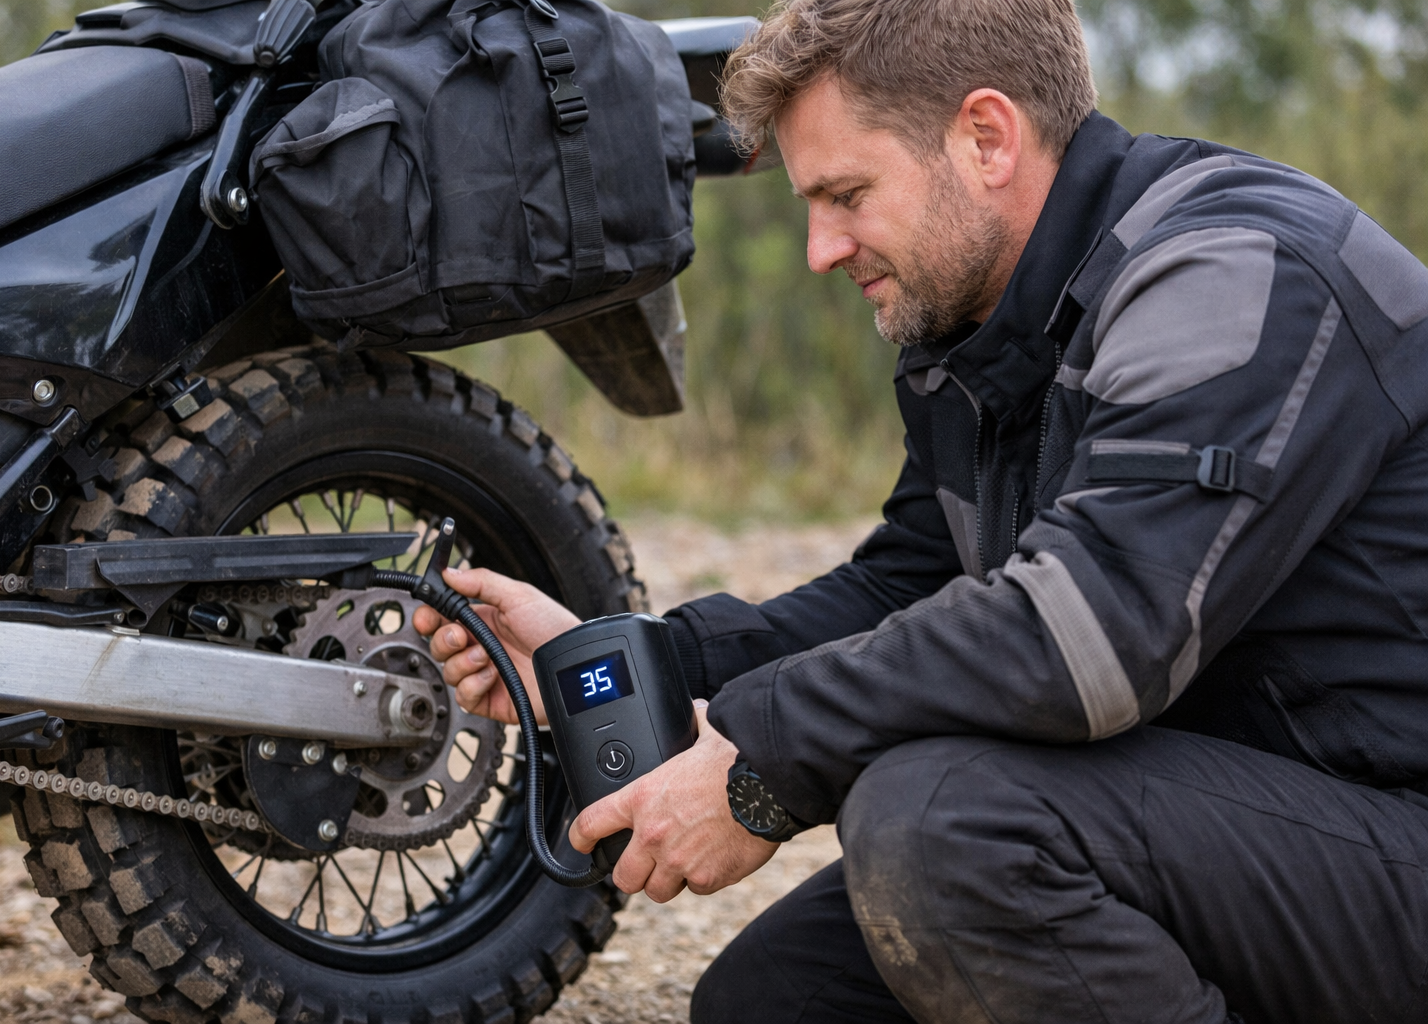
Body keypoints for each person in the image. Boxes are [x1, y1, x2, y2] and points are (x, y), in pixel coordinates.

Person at [414, 0, 1428, 1019]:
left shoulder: (1235, 274)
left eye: (846, 193)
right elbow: (908, 587)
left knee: (942, 824)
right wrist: (624, 671)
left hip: (1391, 830)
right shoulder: (984, 326)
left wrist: (762, 764)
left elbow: (1092, 633)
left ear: (985, 137)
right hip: (1243, 824)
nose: (820, 248)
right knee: (780, 998)